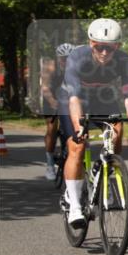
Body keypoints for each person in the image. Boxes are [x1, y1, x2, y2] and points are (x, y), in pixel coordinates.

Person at [61, 18, 128, 228]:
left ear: (117, 46)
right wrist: (79, 128)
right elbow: (74, 98)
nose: (104, 52)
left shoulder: (125, 61)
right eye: (99, 47)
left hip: (102, 97)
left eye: (109, 48)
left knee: (117, 128)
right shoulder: (77, 57)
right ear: (91, 43)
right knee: (77, 145)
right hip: (73, 99)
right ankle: (74, 204)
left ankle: (107, 169)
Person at [40, 43, 74, 180]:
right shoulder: (50, 67)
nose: (65, 61)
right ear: (58, 58)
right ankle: (49, 165)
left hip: (69, 99)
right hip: (52, 98)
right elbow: (45, 88)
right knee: (52, 128)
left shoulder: (77, 68)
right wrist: (53, 102)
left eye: (68, 58)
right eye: (63, 58)